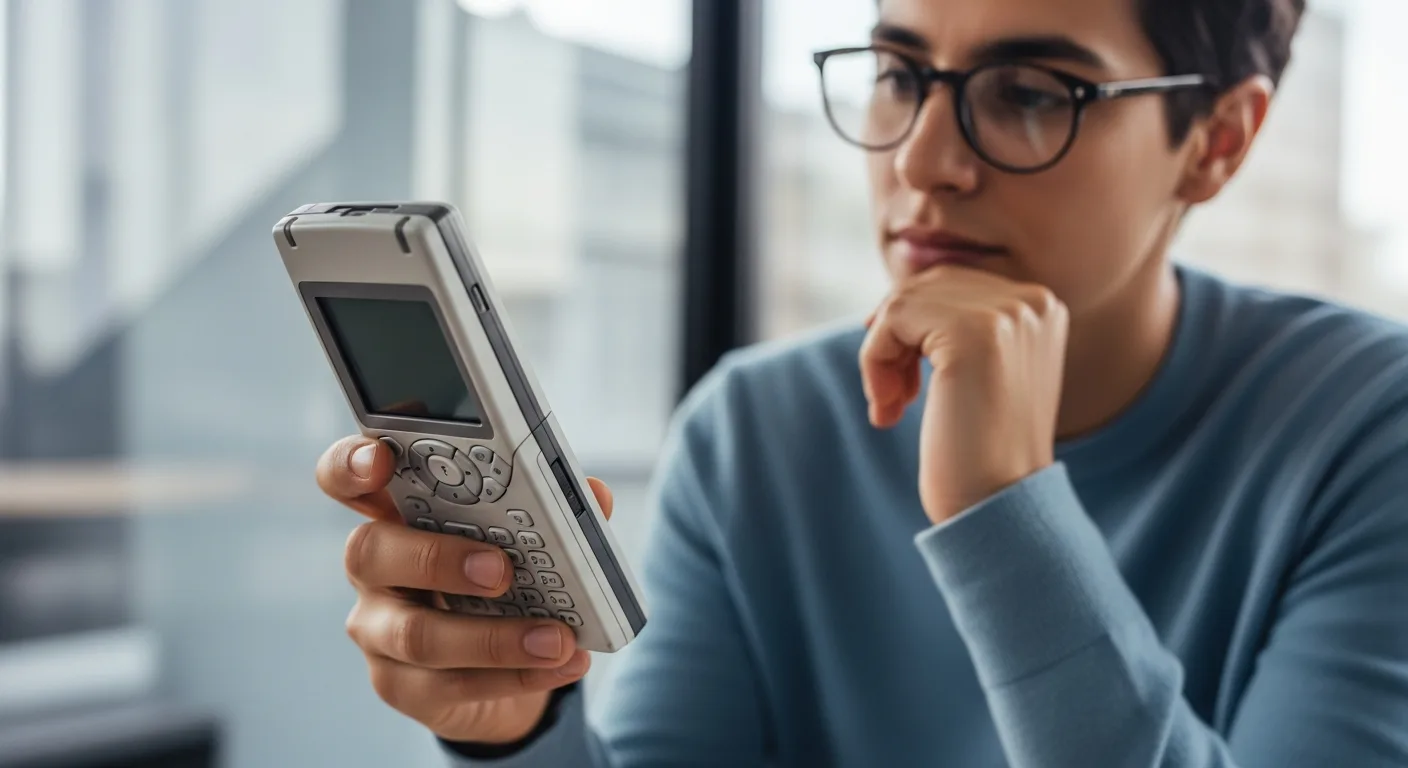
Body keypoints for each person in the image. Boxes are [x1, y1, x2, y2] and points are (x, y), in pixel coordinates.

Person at [315, 0, 1408, 764]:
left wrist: (1003, 513)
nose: (924, 160)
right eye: (898, 76)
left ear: (1217, 141)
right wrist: (508, 728)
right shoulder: (753, 431)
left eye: (1029, 94)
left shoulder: (1368, 428)